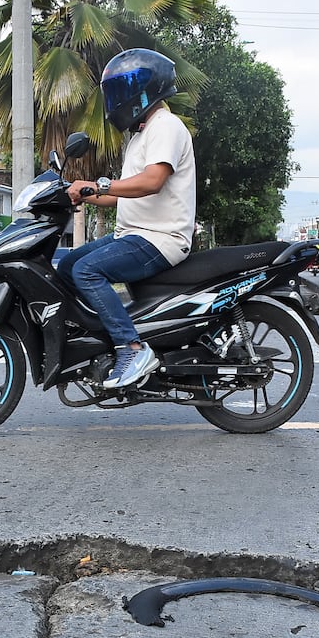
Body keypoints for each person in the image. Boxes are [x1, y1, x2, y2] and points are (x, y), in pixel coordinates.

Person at [59, 48, 196, 389]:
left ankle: (131, 347)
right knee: (65, 267)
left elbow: (152, 182)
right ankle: (98, 339)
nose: (117, 99)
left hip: (160, 238)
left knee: (86, 270)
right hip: (132, 234)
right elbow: (115, 195)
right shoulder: (140, 133)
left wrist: (99, 184)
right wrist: (79, 192)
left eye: (121, 90)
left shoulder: (166, 126)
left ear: (144, 89)